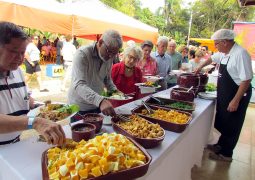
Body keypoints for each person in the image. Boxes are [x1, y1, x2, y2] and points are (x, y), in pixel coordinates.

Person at [0, 21, 65, 145]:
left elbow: (25, 100)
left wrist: (46, 109)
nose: (19, 58)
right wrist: (35, 122)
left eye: (22, 52)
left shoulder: (17, 71)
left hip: (14, 145)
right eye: (14, 51)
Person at [195, 29, 253, 162]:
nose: (215, 47)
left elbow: (246, 80)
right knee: (223, 121)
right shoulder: (224, 53)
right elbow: (211, 58)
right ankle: (220, 145)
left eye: (216, 44)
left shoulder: (240, 54)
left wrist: (235, 101)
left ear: (225, 42)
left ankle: (226, 154)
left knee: (232, 124)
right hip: (226, 93)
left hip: (238, 94)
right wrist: (200, 67)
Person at [68, 30, 122, 119]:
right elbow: (79, 84)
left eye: (114, 54)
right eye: (109, 51)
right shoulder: (82, 54)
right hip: (79, 107)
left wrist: (115, 92)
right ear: (100, 43)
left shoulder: (110, 56)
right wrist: (100, 101)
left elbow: (107, 79)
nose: (110, 56)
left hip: (97, 106)